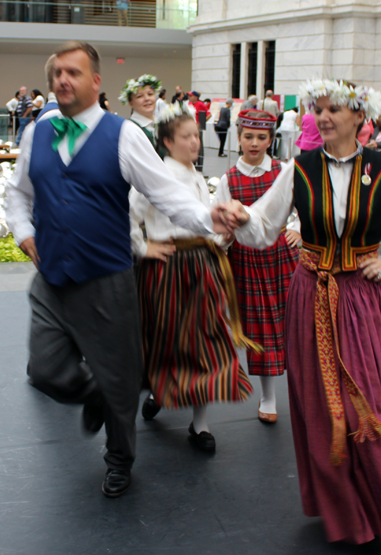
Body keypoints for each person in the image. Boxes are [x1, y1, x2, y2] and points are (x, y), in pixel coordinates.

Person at [221, 79, 381, 547]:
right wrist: (241, 218)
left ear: (358, 118)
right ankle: (343, 511)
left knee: (368, 401)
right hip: (309, 293)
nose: (323, 117)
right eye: (318, 109)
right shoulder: (300, 169)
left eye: (334, 110)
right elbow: (264, 225)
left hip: (362, 299)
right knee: (319, 407)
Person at [6, 41, 237, 499]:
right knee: (48, 370)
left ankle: (119, 460)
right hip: (51, 279)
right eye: (56, 74)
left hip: (108, 280)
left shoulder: (123, 136)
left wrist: (207, 219)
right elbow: (19, 193)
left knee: (118, 375)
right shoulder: (38, 131)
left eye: (73, 72)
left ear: (96, 81)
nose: (62, 81)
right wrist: (22, 231)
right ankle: (94, 394)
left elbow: (166, 194)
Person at [130, 103, 254, 451]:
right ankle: (159, 390)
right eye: (186, 137)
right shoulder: (156, 175)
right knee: (167, 338)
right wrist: (144, 247)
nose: (195, 142)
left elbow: (202, 222)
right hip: (167, 269)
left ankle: (200, 425)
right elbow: (127, 216)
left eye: (197, 136)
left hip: (201, 267)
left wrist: (220, 239)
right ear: (167, 142)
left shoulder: (196, 175)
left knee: (205, 341)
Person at [215, 109, 300, 423]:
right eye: (248, 136)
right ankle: (268, 396)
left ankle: (304, 391)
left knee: (293, 324)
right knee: (260, 330)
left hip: (282, 256)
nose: (254, 143)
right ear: (237, 138)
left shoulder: (283, 171)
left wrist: (297, 229)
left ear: (271, 139)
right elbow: (221, 225)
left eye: (261, 137)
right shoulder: (228, 180)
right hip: (247, 260)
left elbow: (300, 208)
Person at [119, 74, 161, 150]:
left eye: (150, 94)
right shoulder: (130, 130)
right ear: (131, 103)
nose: (147, 98)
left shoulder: (161, 123)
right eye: (140, 96)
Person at [188, 90, 208, 172]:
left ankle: (199, 166)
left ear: (196, 97)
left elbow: (208, 114)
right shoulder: (189, 104)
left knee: (199, 146)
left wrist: (200, 123)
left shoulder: (200, 104)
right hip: (190, 128)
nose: (189, 97)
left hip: (197, 129)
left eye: (191, 96)